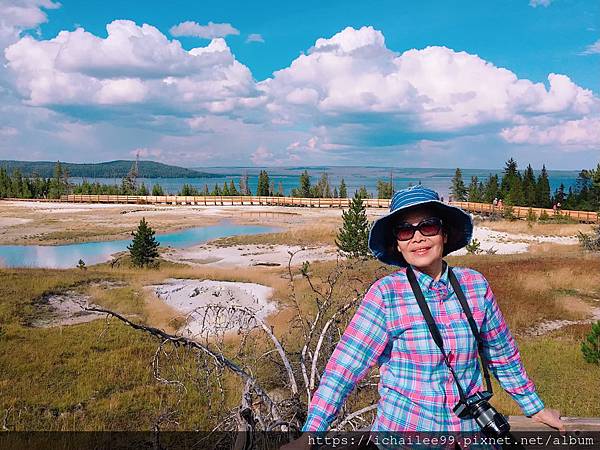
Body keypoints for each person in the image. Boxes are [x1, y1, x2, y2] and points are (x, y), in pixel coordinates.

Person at [282, 185, 563, 449]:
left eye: (427, 226)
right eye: (405, 231)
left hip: (470, 436)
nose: (418, 237)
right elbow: (345, 368)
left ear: (445, 234)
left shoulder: (474, 286)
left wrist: (534, 407)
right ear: (398, 244)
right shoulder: (386, 295)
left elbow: (502, 355)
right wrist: (311, 435)